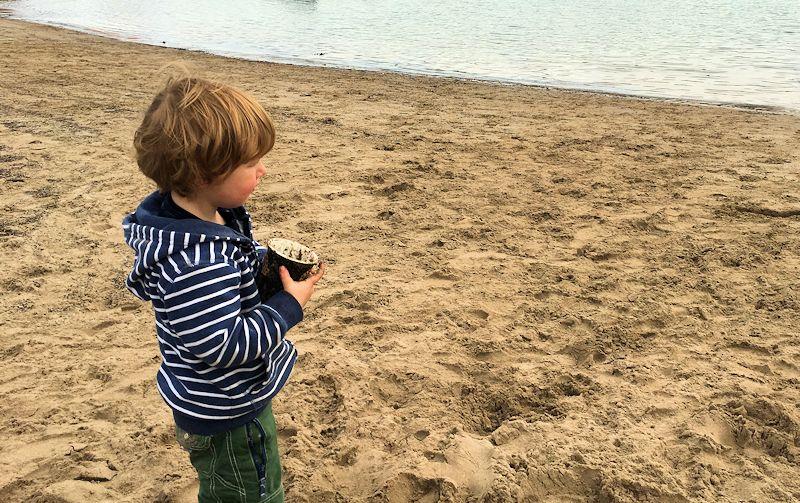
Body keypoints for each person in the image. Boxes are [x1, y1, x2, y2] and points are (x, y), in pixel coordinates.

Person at [121, 69, 325, 503]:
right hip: (226, 411)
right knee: (250, 492)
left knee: (233, 485)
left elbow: (222, 287)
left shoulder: (196, 219)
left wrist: (264, 273)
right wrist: (289, 305)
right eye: (250, 164)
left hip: (212, 399)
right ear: (201, 174)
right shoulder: (197, 259)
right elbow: (223, 343)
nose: (263, 170)